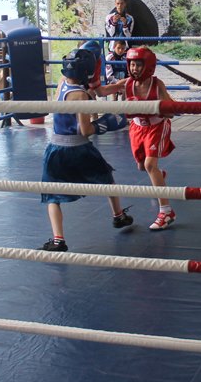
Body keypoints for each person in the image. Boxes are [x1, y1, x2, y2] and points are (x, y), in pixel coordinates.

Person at [38, 48, 134, 252]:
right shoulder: (80, 95)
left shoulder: (62, 83)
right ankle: (118, 216)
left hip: (56, 148)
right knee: (107, 178)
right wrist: (105, 123)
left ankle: (58, 239)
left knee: (52, 195)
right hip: (78, 147)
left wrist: (118, 86)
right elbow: (85, 130)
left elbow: (97, 91)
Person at [97, 46, 176, 230]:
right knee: (142, 166)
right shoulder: (127, 83)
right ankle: (159, 176)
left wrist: (155, 106)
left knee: (149, 165)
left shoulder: (157, 85)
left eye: (138, 65)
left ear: (148, 66)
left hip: (156, 126)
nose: (134, 68)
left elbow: (171, 112)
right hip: (137, 128)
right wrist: (93, 77)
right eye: (132, 64)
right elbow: (101, 92)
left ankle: (166, 212)